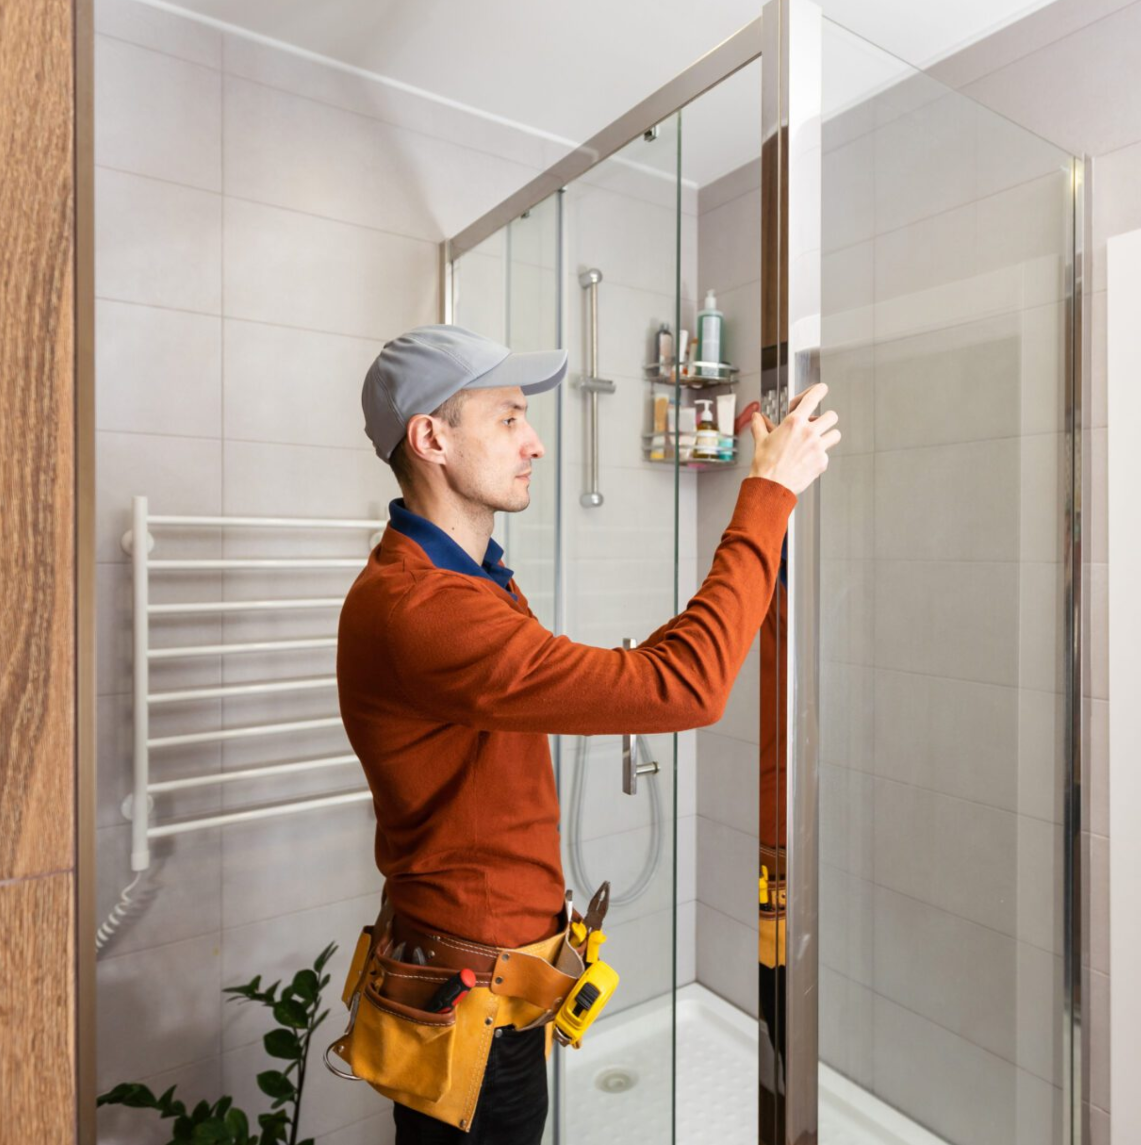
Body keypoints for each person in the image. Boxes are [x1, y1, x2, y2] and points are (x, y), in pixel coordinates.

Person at [335, 325, 839, 1144]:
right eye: (506, 419)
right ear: (429, 437)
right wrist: (768, 496)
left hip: (484, 986)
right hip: (473, 1009)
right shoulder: (422, 610)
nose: (534, 442)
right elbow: (686, 687)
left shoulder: (471, 580)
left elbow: (643, 678)